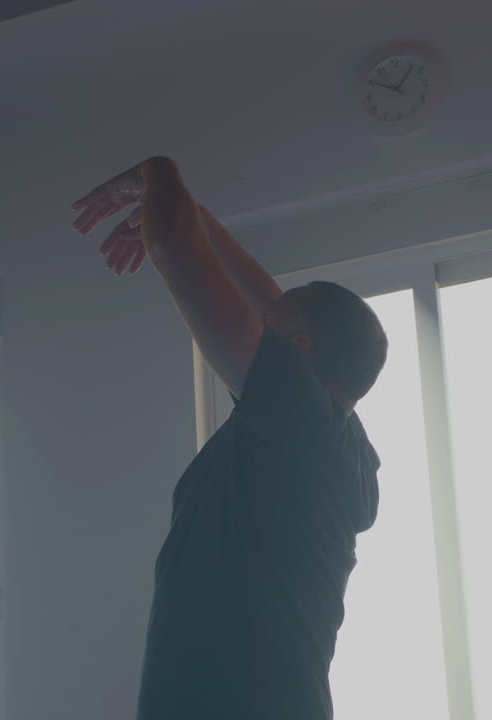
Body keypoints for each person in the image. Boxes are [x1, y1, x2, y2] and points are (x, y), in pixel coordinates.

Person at [71, 156, 389, 720]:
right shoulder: (338, 446)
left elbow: (172, 249)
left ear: (300, 350)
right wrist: (203, 219)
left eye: (270, 333)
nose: (256, 329)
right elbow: (274, 305)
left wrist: (156, 174)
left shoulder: (299, 423)